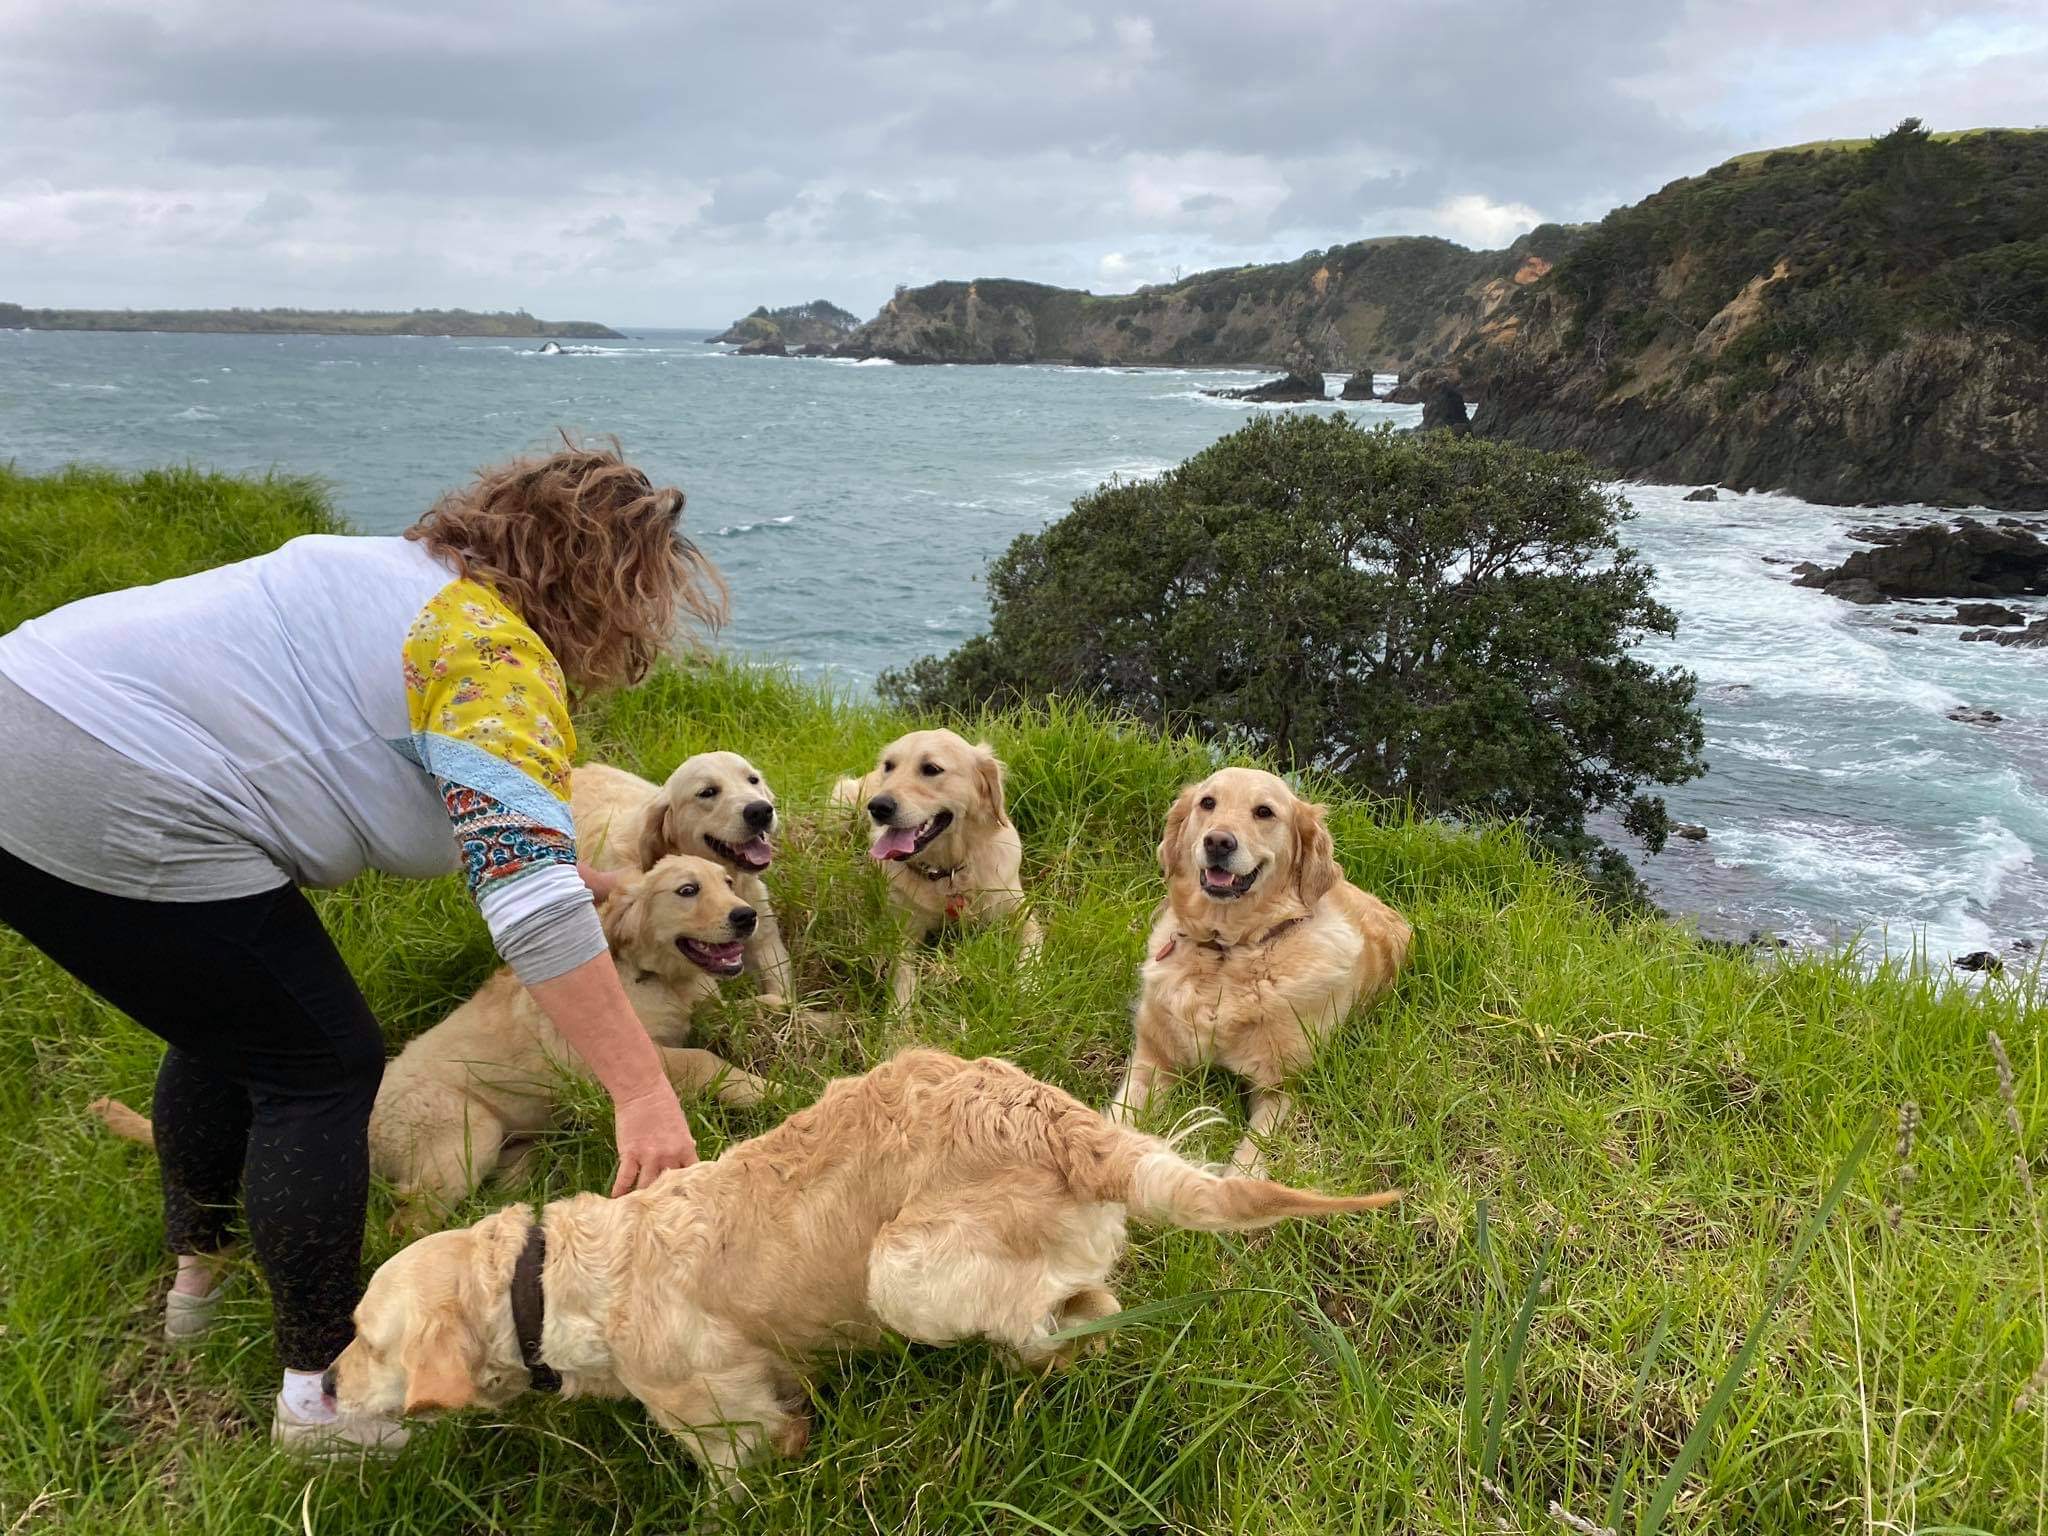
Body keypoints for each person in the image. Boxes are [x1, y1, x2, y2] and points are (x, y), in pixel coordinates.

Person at [0, 440, 723, 1453]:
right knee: (321, 1065)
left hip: (29, 711)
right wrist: (642, 1093)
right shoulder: (491, 651)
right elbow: (528, 907)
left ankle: (196, 1284)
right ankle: (322, 1397)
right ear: (609, 587)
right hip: (111, 779)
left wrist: (574, 874)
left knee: (235, 1024)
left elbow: (472, 817)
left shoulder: (395, 580)